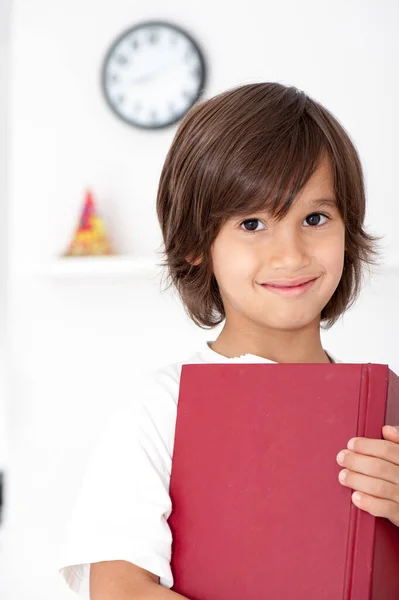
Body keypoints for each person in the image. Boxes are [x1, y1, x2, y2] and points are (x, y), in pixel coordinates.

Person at [59, 83, 399, 599]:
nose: (290, 254)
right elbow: (121, 590)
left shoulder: (384, 412)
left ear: (347, 229)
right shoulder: (160, 407)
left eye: (314, 218)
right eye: (253, 223)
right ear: (197, 244)